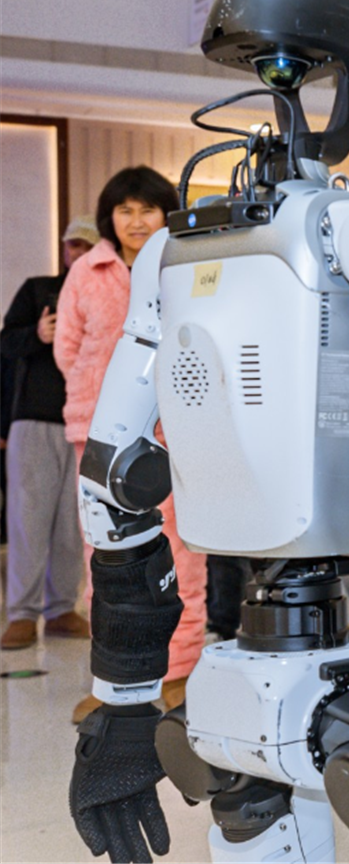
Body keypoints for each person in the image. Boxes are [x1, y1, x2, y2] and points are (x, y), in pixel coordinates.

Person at [54, 166, 207, 723]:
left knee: (183, 554)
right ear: (110, 217)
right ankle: (115, 679)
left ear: (167, 214)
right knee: (106, 557)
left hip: (176, 431)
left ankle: (180, 672)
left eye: (148, 209)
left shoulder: (185, 263)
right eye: (125, 210)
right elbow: (67, 349)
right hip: (98, 432)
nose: (136, 221)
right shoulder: (87, 271)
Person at [0, 215, 99, 650]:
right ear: (64, 249)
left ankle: (61, 609)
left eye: (88, 246)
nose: (79, 253)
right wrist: (38, 334)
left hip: (86, 421)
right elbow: (6, 344)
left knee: (74, 524)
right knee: (28, 519)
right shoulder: (38, 290)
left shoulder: (106, 294)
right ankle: (21, 614)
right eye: (74, 245)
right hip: (36, 420)